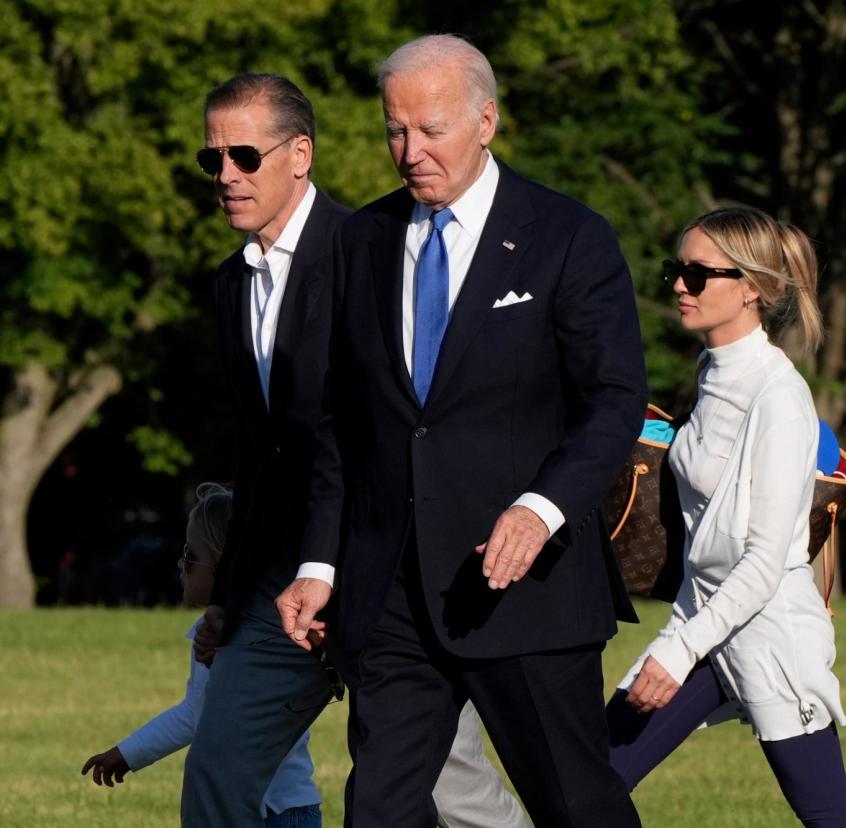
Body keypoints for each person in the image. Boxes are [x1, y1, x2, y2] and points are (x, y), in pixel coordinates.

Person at [274, 36, 647, 827]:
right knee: (378, 811)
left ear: (487, 121)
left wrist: (541, 508)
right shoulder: (358, 243)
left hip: (525, 588)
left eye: (430, 130)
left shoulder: (568, 236)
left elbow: (613, 401)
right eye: (394, 131)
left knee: (576, 807)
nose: (409, 152)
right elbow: (342, 425)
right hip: (392, 599)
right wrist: (318, 562)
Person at [185, 72, 527, 828]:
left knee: (460, 800)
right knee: (216, 778)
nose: (227, 177)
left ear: (299, 153)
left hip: (391, 581)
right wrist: (227, 595)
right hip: (281, 593)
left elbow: (406, 431)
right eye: (213, 161)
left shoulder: (373, 246)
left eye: (244, 155)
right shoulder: (230, 283)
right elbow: (261, 455)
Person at [606, 207, 846, 827]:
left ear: (752, 288)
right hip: (706, 621)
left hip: (768, 634)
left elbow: (765, 561)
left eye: (698, 275)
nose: (678, 285)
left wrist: (677, 651)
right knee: (592, 780)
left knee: (830, 814)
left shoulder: (778, 396)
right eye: (677, 269)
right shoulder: (713, 371)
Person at [82, 484, 322, 825]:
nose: (182, 564)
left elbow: (197, 717)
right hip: (263, 805)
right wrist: (128, 753)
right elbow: (195, 713)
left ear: (227, 566)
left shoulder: (271, 632)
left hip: (281, 811)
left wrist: (128, 753)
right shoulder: (207, 632)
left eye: (191, 555)